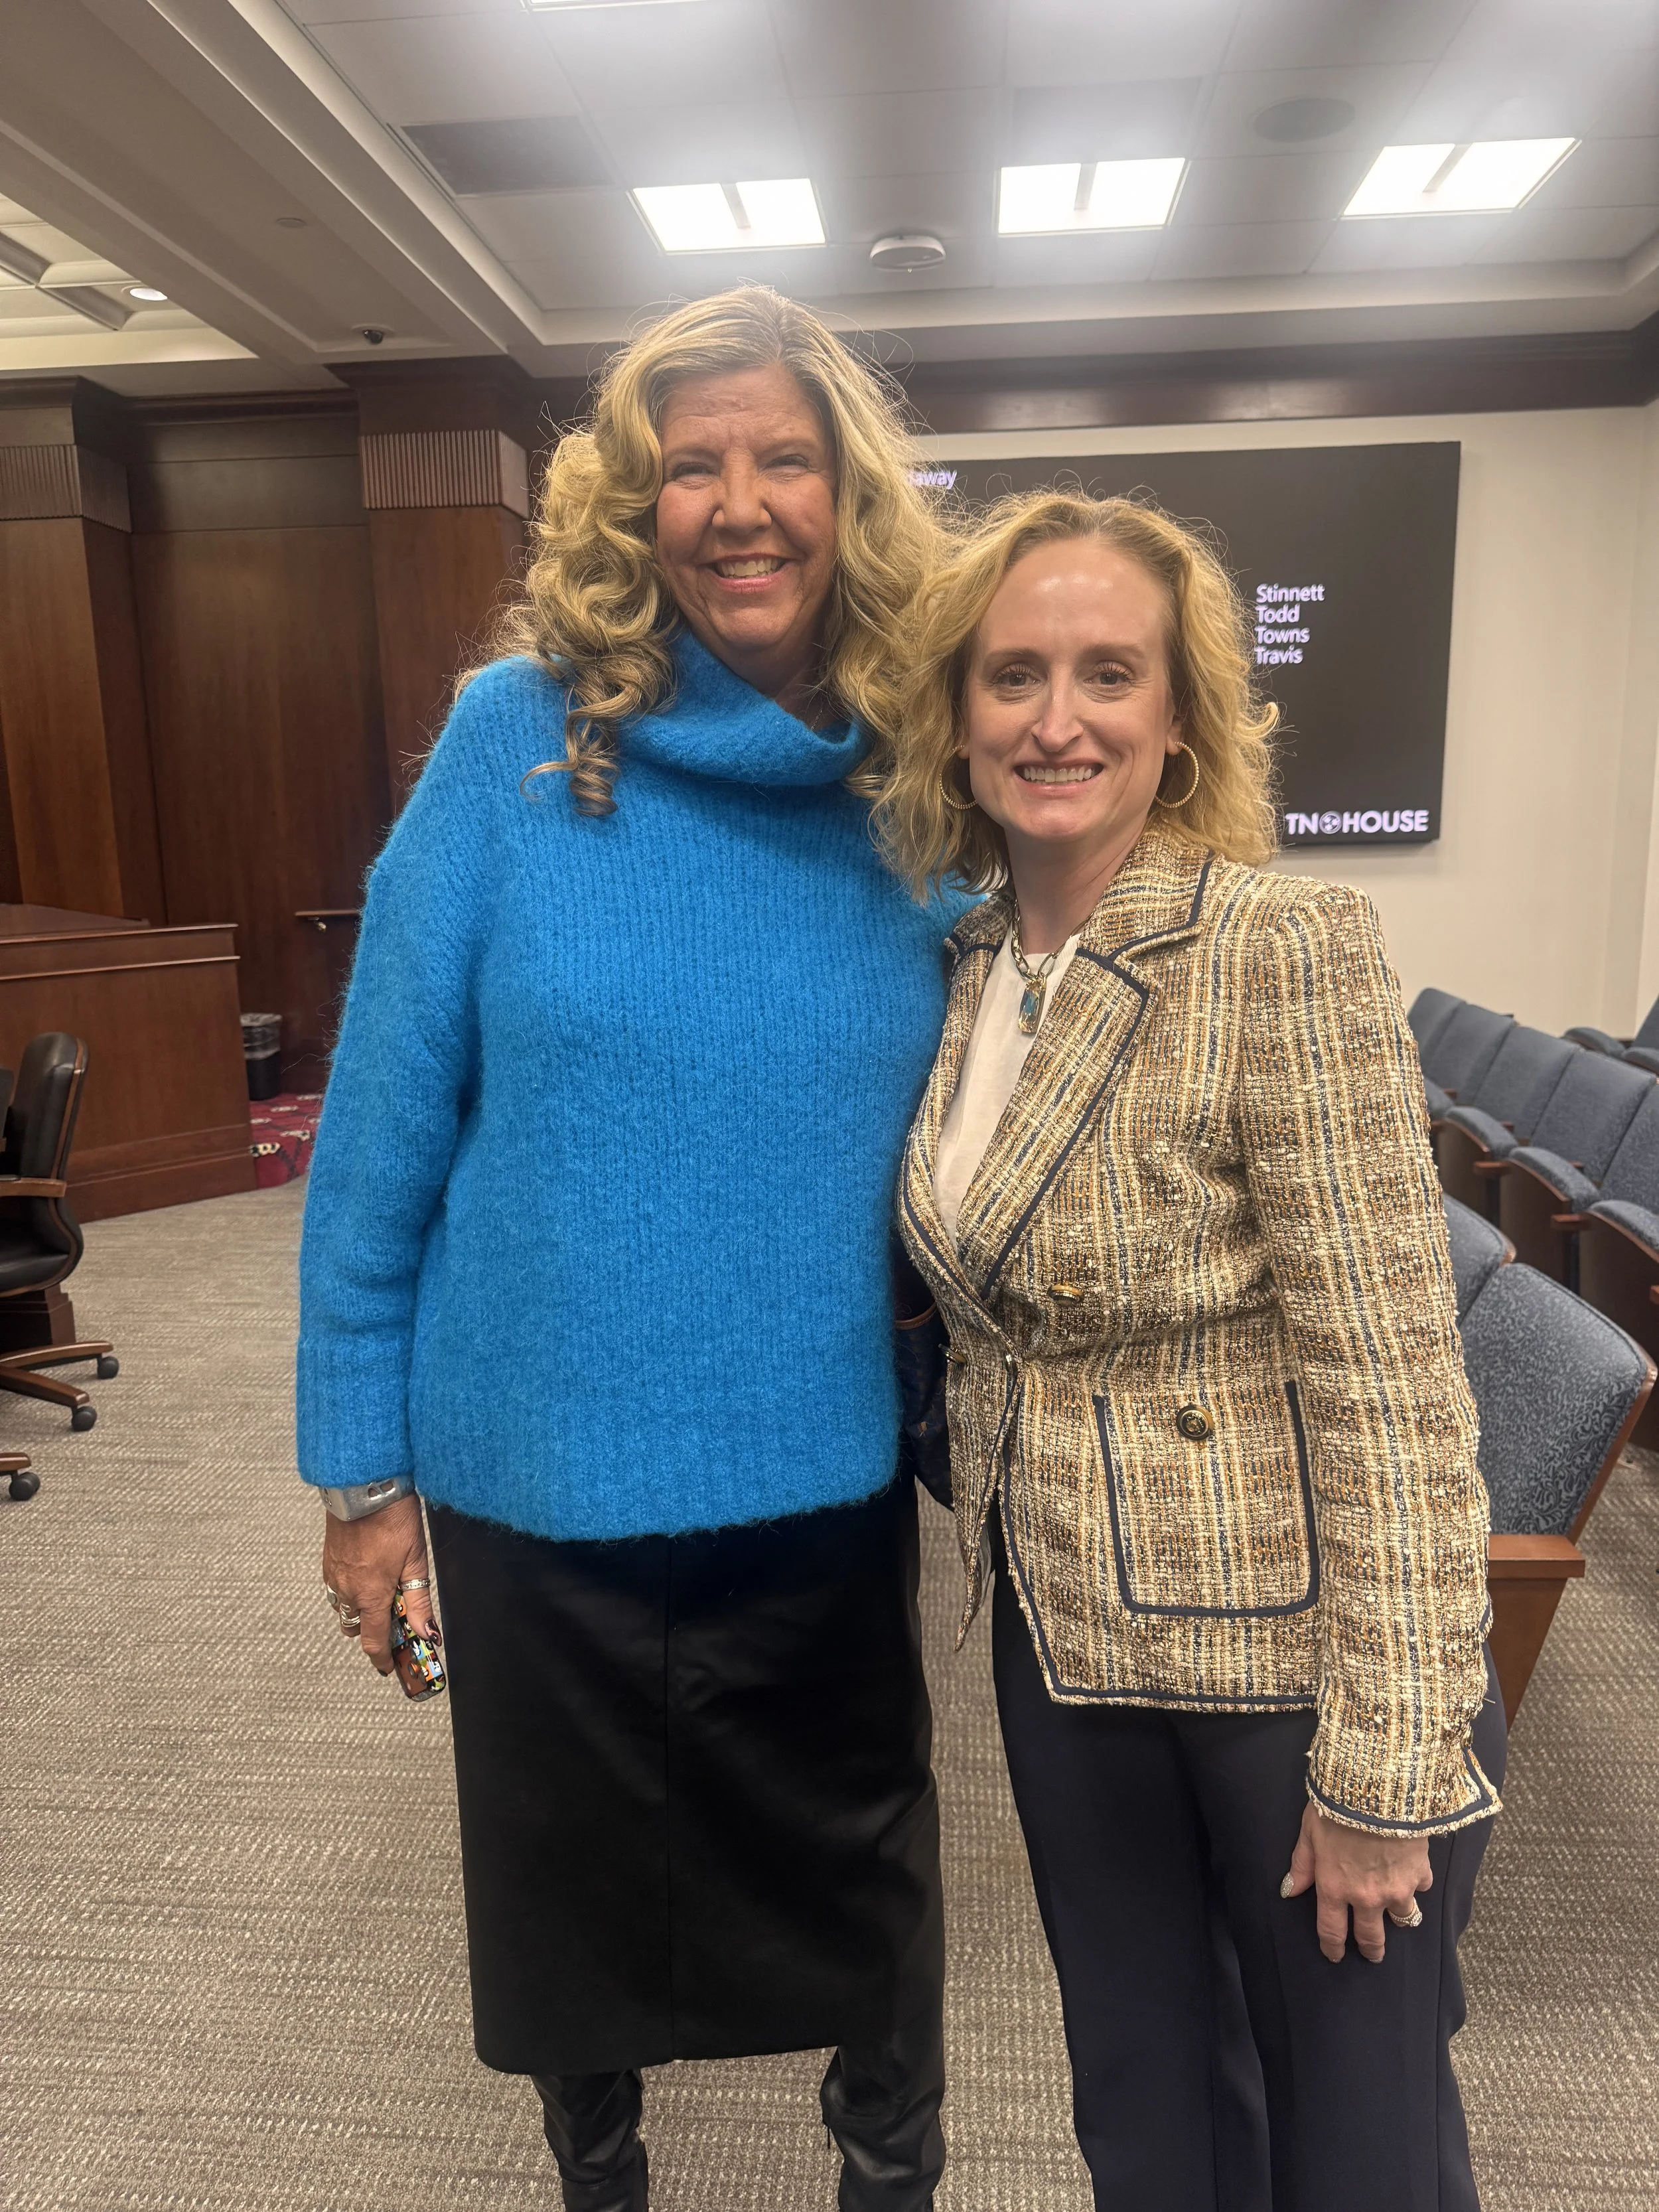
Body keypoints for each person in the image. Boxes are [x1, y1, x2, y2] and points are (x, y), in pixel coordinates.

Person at [297, 286, 961, 2212]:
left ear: (849, 496)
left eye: (783, 458)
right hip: (532, 1474)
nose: (738, 502)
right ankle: (602, 2183)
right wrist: (361, 1478)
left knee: (863, 1884)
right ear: (629, 504)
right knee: (563, 1897)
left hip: (816, 1467)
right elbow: (380, 1135)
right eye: (691, 464)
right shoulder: (517, 747)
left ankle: (886, 2179)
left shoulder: (920, 782)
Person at [878, 490, 1504, 2212]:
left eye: (1104, 673)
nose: (1054, 717)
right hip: (1059, 1650)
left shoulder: (1276, 950)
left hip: (1287, 1678)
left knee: (1355, 2145)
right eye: (1012, 674)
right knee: (1147, 2119)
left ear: (1178, 717)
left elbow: (1390, 1382)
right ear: (957, 711)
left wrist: (1387, 1769)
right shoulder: (963, 971)